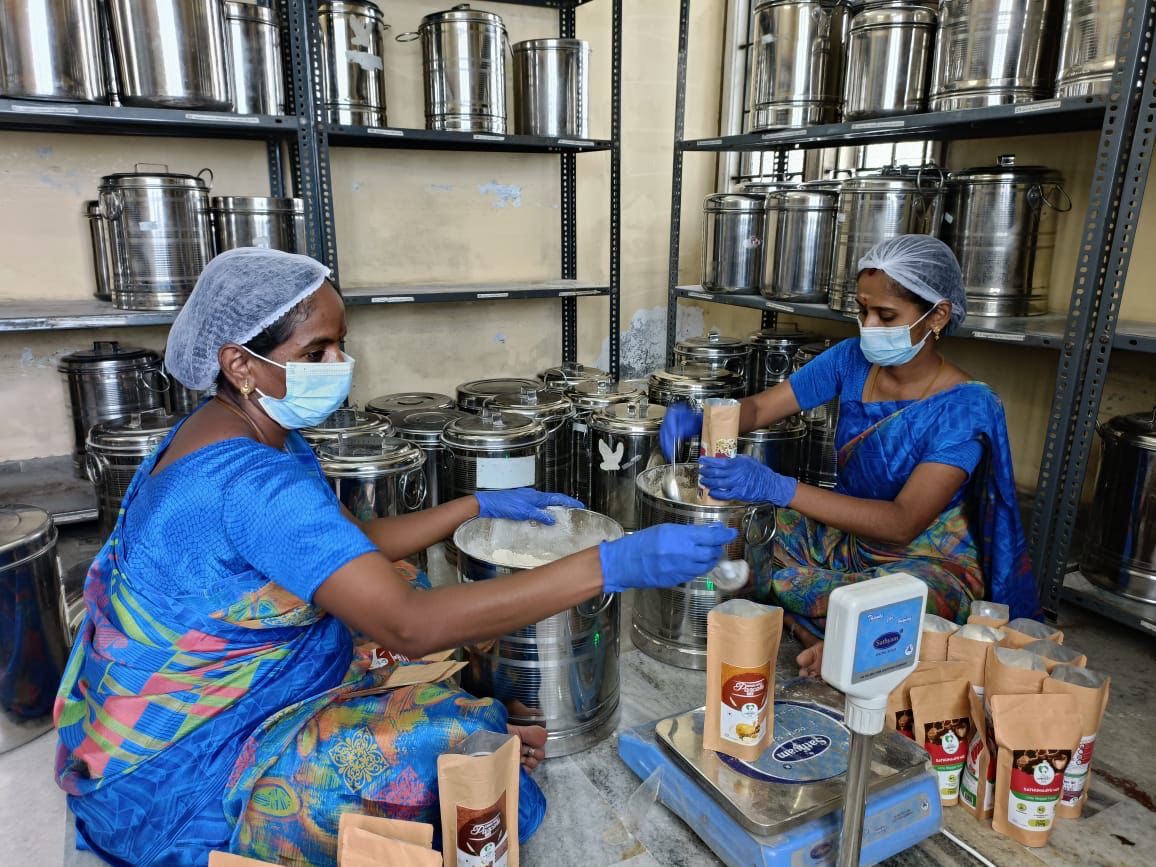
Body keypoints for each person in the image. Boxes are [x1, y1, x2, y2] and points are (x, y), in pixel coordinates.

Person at [54, 248, 737, 867]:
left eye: (341, 346)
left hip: (177, 708)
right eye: (317, 350)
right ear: (239, 362)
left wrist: (477, 507)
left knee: (403, 596)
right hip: (179, 769)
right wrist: (611, 565)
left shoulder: (241, 427)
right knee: (459, 737)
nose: (338, 369)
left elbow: (355, 546)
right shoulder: (251, 481)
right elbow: (408, 624)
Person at [660, 235, 1041, 676]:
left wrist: (779, 486)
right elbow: (763, 407)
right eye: (863, 310)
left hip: (922, 561)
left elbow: (901, 524)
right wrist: (705, 418)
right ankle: (829, 633)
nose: (869, 326)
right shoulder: (851, 359)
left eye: (886, 315)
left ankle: (816, 627)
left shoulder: (965, 407)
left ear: (937, 315)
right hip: (846, 537)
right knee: (749, 528)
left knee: (915, 604)